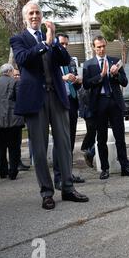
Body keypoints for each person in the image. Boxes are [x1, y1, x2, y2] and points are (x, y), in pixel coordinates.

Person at [10, 0, 89, 210]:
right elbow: (22, 59)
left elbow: (64, 60)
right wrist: (44, 43)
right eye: (31, 13)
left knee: (64, 143)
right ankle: (46, 192)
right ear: (25, 17)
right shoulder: (19, 39)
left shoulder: (51, 38)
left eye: (38, 13)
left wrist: (53, 40)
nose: (35, 16)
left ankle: (68, 188)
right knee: (39, 147)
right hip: (35, 100)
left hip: (57, 96)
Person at [83, 35, 129, 180]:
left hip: (115, 103)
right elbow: (86, 84)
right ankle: (105, 169)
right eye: (98, 47)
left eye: (103, 46)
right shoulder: (88, 65)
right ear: (94, 48)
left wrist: (115, 75)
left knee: (120, 137)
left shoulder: (115, 61)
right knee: (101, 139)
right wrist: (101, 76)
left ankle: (125, 167)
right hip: (99, 104)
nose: (101, 49)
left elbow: (125, 82)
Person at [52, 33, 85, 189]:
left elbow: (77, 84)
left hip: (71, 102)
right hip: (57, 102)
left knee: (70, 140)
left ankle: (68, 174)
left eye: (66, 44)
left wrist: (77, 80)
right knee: (59, 141)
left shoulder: (70, 60)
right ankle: (58, 177)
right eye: (61, 44)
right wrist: (63, 78)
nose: (64, 47)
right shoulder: (51, 60)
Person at [12, 68, 31, 172]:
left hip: (20, 117)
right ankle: (16, 164)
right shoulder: (15, 85)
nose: (17, 77)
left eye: (18, 75)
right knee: (14, 143)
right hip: (15, 118)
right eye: (15, 75)